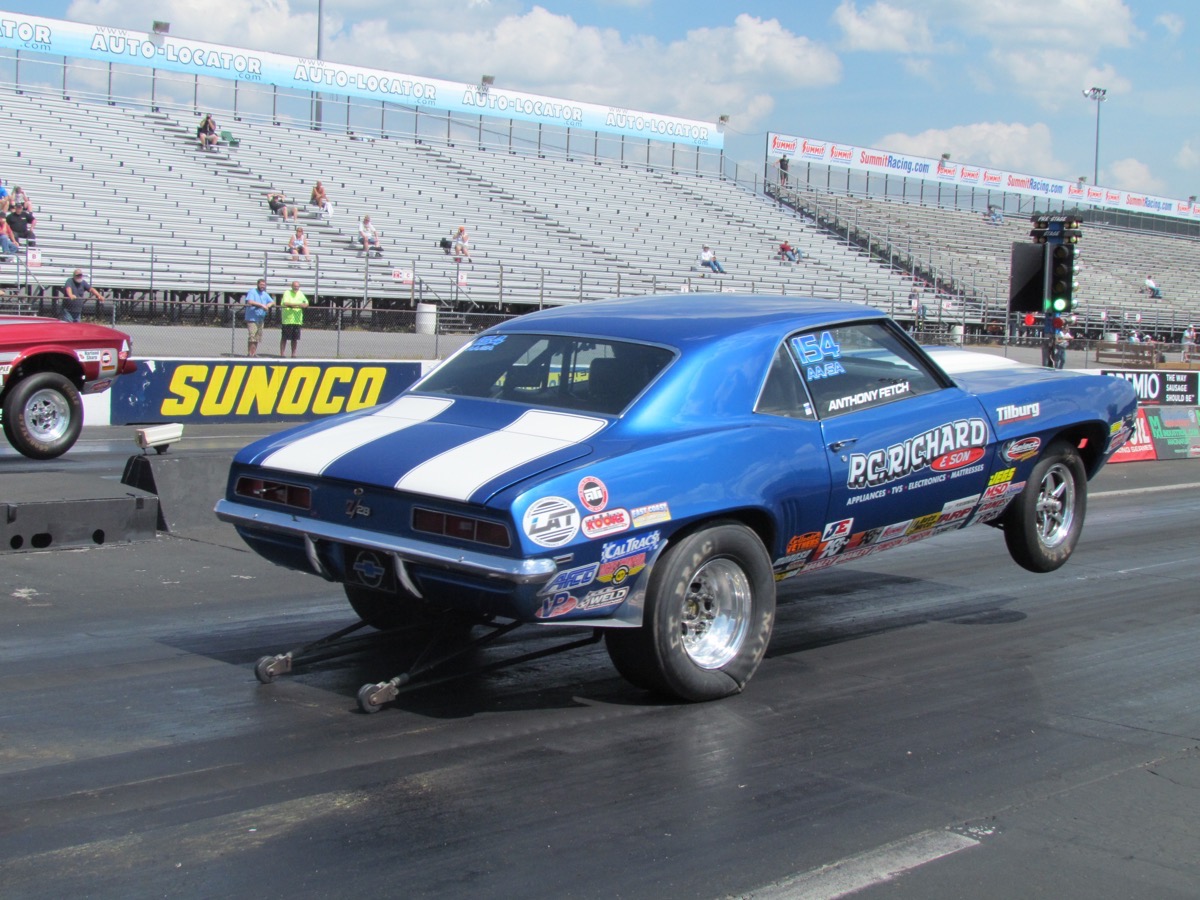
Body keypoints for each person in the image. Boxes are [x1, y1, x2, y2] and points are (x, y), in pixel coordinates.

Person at [278, 280, 309, 358]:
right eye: (295, 286)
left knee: (294, 339)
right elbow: (286, 303)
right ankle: (282, 354)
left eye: (297, 286)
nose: (296, 288)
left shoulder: (301, 294)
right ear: (292, 286)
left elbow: (306, 303)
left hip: (297, 320)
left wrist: (303, 305)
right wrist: (298, 304)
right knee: (284, 338)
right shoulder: (287, 293)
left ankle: (293, 354)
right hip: (287, 320)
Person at [242, 278, 272, 357]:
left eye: (264, 285)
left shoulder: (265, 294)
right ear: (258, 284)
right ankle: (250, 354)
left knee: (257, 337)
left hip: (260, 318)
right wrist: (262, 305)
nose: (262, 286)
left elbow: (272, 301)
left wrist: (268, 305)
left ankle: (253, 353)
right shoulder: (252, 292)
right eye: (261, 285)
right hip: (252, 318)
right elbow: (250, 301)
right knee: (252, 337)